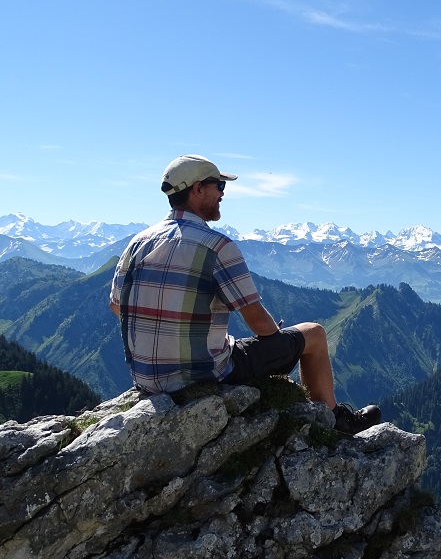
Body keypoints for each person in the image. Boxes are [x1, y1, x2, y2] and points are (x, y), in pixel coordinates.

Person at [109, 154, 380, 435]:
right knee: (314, 333)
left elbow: (117, 307)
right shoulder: (217, 246)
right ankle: (336, 420)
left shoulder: (137, 243)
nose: (223, 194)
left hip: (146, 380)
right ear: (198, 189)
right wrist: (271, 332)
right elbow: (259, 325)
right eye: (219, 186)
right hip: (204, 375)